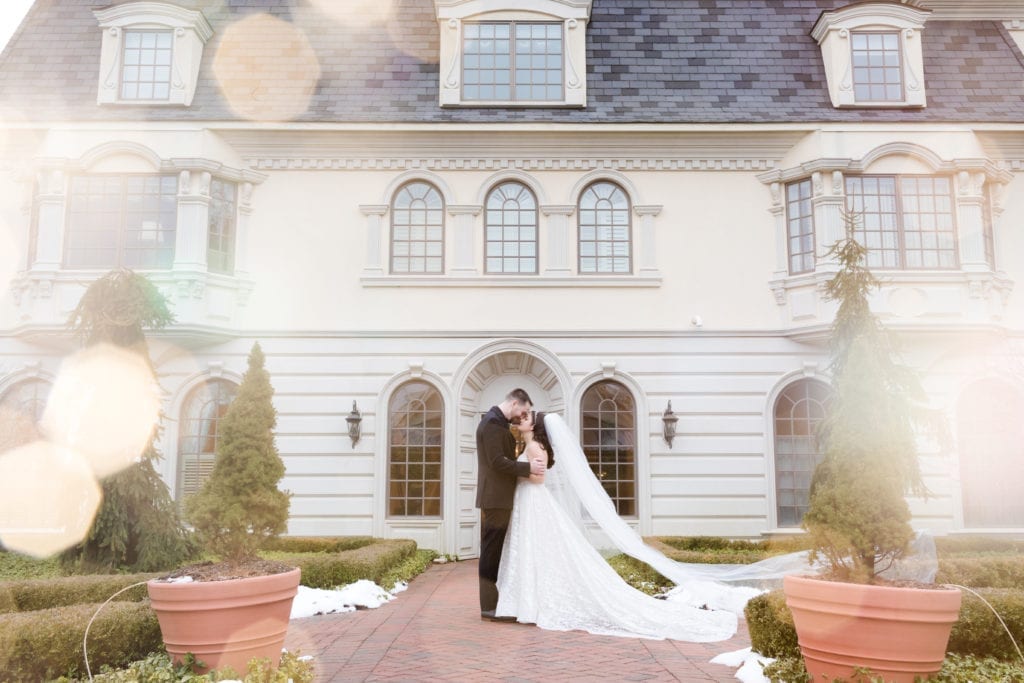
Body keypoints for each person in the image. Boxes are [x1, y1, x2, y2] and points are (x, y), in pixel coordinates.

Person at [494, 411, 740, 641]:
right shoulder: (528, 445)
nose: (521, 420)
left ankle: (531, 604)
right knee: (531, 550)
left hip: (535, 500)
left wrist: (515, 472)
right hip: (528, 501)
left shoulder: (536, 447)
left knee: (538, 548)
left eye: (526, 418)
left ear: (534, 426)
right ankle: (526, 603)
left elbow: (539, 478)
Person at [475, 388, 545, 621]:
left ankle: (494, 603)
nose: (522, 416)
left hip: (498, 496)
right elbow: (497, 462)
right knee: (490, 551)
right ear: (515, 403)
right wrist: (528, 468)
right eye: (523, 411)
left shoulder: (496, 422)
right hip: (496, 497)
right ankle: (488, 606)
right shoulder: (493, 423)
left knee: (494, 550)